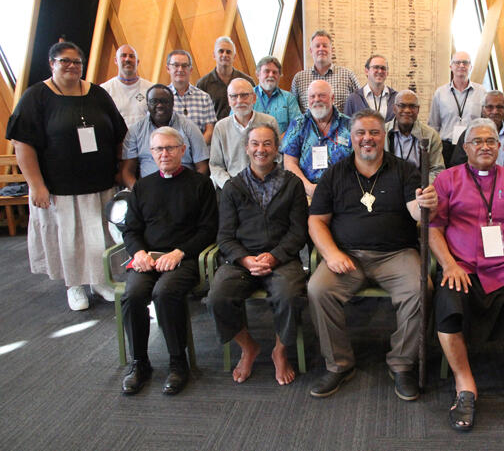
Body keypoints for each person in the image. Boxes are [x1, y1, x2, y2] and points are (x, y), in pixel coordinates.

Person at [430, 118, 504, 437]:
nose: (485, 146)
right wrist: (449, 264)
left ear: (500, 148)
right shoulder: (447, 179)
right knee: (446, 304)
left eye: (491, 141)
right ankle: (465, 386)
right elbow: (434, 229)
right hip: (465, 271)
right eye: (477, 141)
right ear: (465, 148)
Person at [306, 109, 438, 400]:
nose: (367, 139)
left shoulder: (404, 170)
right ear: (350, 138)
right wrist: (330, 254)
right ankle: (339, 364)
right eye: (360, 133)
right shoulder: (335, 173)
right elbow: (316, 221)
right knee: (318, 289)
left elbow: (416, 212)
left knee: (421, 289)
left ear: (383, 137)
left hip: (396, 254)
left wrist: (426, 204)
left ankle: (402, 364)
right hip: (347, 255)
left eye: (374, 133)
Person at [6, 41, 127, 311]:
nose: (72, 66)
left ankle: (101, 281)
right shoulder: (36, 96)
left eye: (76, 62)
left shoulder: (97, 94)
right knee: (69, 240)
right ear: (52, 64)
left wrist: (119, 168)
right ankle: (74, 286)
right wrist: (35, 185)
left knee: (99, 236)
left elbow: (118, 133)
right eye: (65, 61)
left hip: (100, 184)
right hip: (60, 188)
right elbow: (22, 144)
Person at [207, 124, 308, 385]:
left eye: (266, 144)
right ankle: (248, 346)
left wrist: (274, 256)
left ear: (276, 149)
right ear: (246, 148)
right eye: (255, 144)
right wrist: (245, 259)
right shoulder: (232, 187)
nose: (260, 150)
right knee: (217, 297)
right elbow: (225, 236)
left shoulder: (293, 184)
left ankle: (280, 351)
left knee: (288, 296)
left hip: (282, 258)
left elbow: (298, 233)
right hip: (242, 260)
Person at [120, 127, 218, 396]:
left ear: (183, 150)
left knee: (165, 293)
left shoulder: (200, 183)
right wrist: (138, 252)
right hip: (149, 259)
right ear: (151, 153)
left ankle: (178, 363)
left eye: (170, 148)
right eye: (158, 149)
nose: (164, 154)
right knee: (133, 295)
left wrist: (179, 253)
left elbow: (209, 229)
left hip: (185, 258)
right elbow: (131, 229)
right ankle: (140, 363)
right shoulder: (142, 187)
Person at [120, 84, 209, 188]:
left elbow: (202, 167)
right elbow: (127, 171)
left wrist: (193, 190)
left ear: (172, 103)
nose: (159, 105)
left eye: (164, 101)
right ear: (147, 104)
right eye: (154, 101)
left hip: (184, 188)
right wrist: (139, 194)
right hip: (149, 190)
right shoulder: (135, 130)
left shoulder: (189, 127)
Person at [281, 80, 352, 198]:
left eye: (322, 95)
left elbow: (359, 161)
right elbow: (289, 163)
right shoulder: (298, 125)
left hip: (343, 193)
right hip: (306, 194)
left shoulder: (349, 125)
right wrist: (308, 188)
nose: (316, 99)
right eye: (312, 96)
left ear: (332, 98)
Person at [451, 90, 504, 187]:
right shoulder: (469, 135)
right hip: (472, 190)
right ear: (483, 109)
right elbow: (456, 167)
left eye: (499, 107)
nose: (495, 111)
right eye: (490, 107)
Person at [209, 79, 280, 189]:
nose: (239, 101)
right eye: (234, 96)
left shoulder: (269, 122)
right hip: (232, 185)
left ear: (254, 98)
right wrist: (230, 186)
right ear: (228, 100)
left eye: (244, 95)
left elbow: (278, 157)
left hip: (265, 184)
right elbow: (215, 165)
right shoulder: (221, 127)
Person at [428, 51, 487, 166]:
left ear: (470, 67)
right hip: (446, 147)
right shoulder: (440, 93)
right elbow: (434, 125)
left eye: (465, 63)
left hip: (472, 146)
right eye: (457, 62)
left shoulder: (481, 92)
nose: (461, 66)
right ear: (451, 66)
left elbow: (484, 122)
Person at [291, 29, 360, 112]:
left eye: (325, 46)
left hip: (342, 124)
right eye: (317, 46)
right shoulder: (299, 78)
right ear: (311, 51)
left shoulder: (347, 75)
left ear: (332, 50)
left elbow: (359, 105)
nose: (321, 49)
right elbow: (293, 110)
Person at [384, 89, 444, 183]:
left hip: (419, 188)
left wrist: (424, 188)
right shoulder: (382, 133)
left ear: (418, 110)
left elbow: (437, 170)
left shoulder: (431, 135)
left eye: (412, 106)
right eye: (402, 106)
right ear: (394, 109)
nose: (407, 110)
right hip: (389, 186)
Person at [196, 36, 256, 121]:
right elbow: (200, 115)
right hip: (215, 132)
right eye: (221, 51)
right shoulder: (203, 84)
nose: (225, 55)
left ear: (234, 56)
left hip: (243, 131)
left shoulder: (247, 81)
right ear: (214, 55)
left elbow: (255, 108)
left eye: (228, 52)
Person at [166, 49, 217, 144]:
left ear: (191, 70)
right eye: (176, 65)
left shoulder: (204, 98)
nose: (180, 69)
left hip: (199, 155)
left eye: (185, 66)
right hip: (169, 154)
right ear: (168, 69)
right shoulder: (161, 98)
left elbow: (209, 131)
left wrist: (196, 150)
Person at [100, 44, 154, 127]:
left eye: (132, 56)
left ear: (137, 62)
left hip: (143, 139)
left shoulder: (151, 89)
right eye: (123, 56)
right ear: (115, 60)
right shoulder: (104, 90)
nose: (128, 59)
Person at [253, 55, 301, 136]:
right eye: (267, 71)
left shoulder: (289, 99)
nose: (271, 75)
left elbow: (297, 125)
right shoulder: (246, 96)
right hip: (253, 146)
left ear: (279, 76)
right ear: (258, 74)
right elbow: (236, 123)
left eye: (275, 72)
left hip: (282, 146)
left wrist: (279, 141)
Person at [343, 54, 397, 120]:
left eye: (383, 68)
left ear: (387, 73)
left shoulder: (396, 98)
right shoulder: (353, 99)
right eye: (376, 67)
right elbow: (346, 127)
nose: (380, 71)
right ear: (366, 71)